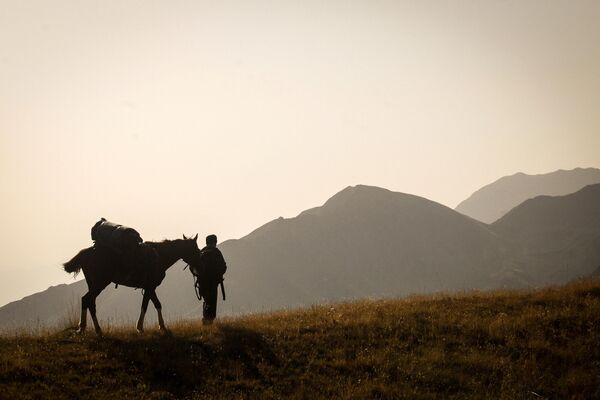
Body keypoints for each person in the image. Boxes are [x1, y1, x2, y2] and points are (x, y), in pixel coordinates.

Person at [195, 234, 227, 325]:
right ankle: (209, 321)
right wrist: (218, 275)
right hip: (213, 283)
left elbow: (194, 267)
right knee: (212, 302)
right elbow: (224, 266)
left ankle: (206, 320)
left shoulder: (201, 252)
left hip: (202, 283)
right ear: (215, 242)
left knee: (206, 301)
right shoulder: (216, 252)